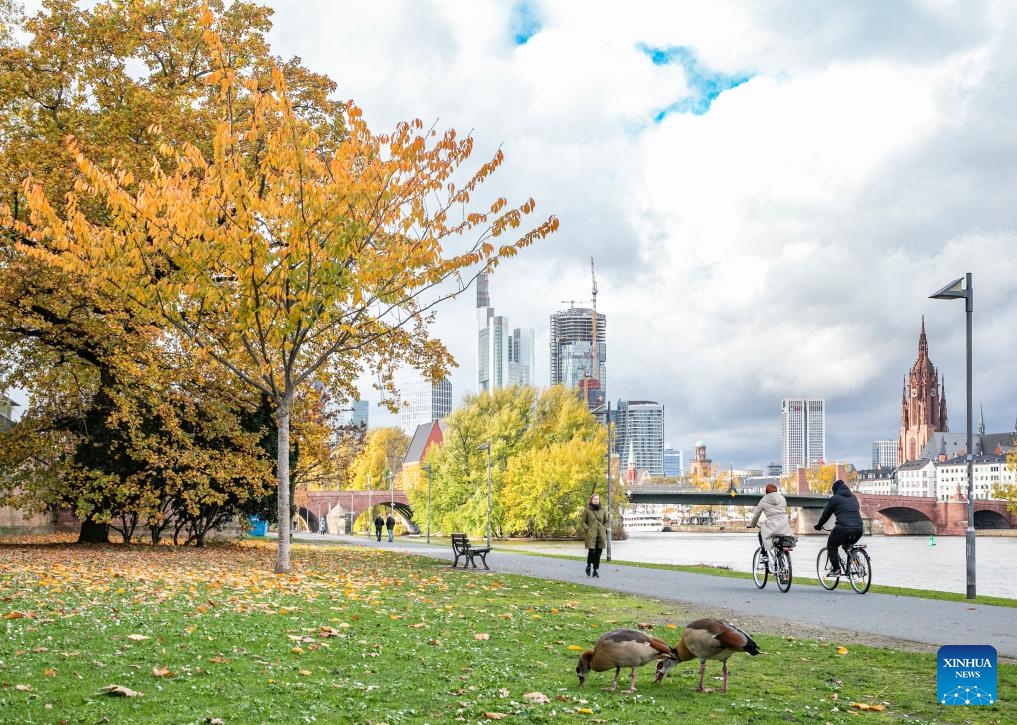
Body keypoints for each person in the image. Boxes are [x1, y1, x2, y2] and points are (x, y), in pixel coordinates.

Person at [814, 479, 864, 576]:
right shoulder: (853, 497)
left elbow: (826, 514)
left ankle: (836, 570)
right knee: (847, 546)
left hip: (843, 528)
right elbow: (856, 509)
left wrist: (819, 525)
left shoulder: (834, 499)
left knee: (831, 546)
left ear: (835, 490)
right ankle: (858, 566)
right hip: (859, 528)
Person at [747, 483, 793, 561]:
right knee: (782, 541)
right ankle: (783, 560)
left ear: (766, 491)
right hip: (784, 525)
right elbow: (785, 511)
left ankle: (764, 555)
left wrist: (752, 524)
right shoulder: (782, 498)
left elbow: (756, 514)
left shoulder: (764, 500)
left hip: (772, 525)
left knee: (761, 533)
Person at [583, 494, 607, 578]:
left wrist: (604, 528)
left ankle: (595, 570)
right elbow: (583, 521)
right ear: (591, 500)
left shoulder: (603, 509)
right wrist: (587, 529)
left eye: (597, 499)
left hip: (601, 534)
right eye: (594, 499)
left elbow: (606, 521)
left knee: (598, 553)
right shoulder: (587, 510)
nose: (596, 500)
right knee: (592, 552)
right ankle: (589, 565)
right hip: (591, 534)